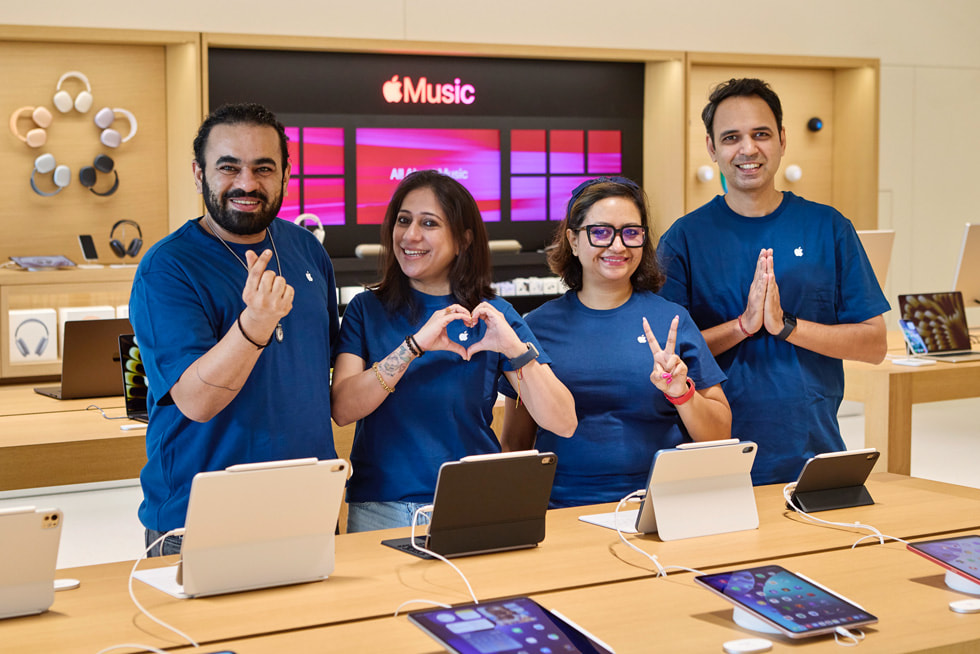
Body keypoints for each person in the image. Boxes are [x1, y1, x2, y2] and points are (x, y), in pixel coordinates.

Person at [129, 103, 339, 555]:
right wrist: (255, 325)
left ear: (285, 172)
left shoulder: (306, 249)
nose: (247, 184)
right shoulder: (166, 269)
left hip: (309, 508)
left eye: (263, 168)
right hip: (200, 520)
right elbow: (197, 401)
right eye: (229, 167)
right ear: (199, 172)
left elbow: (327, 376)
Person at [657, 78, 889, 485]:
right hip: (711, 455)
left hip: (811, 454)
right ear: (712, 148)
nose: (748, 149)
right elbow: (664, 359)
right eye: (731, 137)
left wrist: (786, 327)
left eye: (760, 134)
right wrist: (742, 326)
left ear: (782, 139)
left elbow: (873, 344)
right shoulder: (684, 239)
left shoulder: (828, 227)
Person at [331, 170, 576, 532]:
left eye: (429, 223)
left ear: (462, 240)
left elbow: (563, 421)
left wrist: (512, 347)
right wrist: (414, 346)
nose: (410, 235)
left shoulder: (493, 315)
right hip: (381, 508)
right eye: (403, 220)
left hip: (474, 500)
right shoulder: (366, 309)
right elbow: (342, 409)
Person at [499, 177, 732, 507]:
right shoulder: (535, 327)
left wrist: (682, 394)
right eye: (601, 232)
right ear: (574, 240)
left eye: (631, 232)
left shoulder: (671, 320)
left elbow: (720, 435)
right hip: (559, 509)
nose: (618, 246)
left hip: (659, 504)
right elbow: (516, 443)